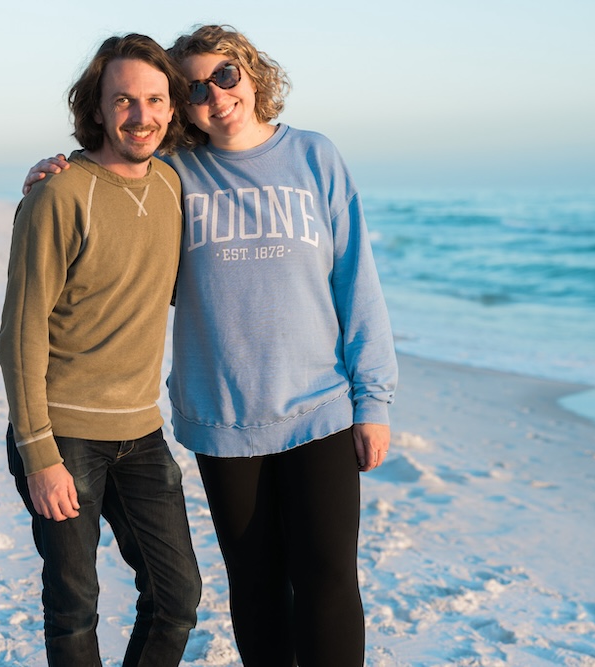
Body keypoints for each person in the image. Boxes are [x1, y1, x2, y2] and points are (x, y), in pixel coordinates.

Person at [24, 25, 397, 667]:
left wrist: (375, 400)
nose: (215, 95)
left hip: (321, 408)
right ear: (181, 105)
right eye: (193, 88)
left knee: (329, 582)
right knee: (254, 587)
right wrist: (52, 174)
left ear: (252, 74)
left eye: (225, 75)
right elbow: (110, 186)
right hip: (223, 418)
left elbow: (355, 279)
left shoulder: (315, 155)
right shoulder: (174, 175)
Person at [0, 33, 201, 667]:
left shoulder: (173, 186)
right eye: (123, 100)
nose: (140, 115)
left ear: (172, 108)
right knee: (73, 608)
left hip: (141, 434)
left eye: (153, 99)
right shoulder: (60, 193)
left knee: (177, 596)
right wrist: (39, 455)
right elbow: (20, 331)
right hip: (64, 435)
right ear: (97, 106)